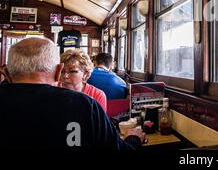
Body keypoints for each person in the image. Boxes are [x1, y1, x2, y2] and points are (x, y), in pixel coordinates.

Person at [0, 38, 143, 150]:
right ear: (58, 72)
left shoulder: (92, 99)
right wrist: (133, 138)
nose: (66, 76)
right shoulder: (86, 105)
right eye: (63, 72)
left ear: (5, 73)